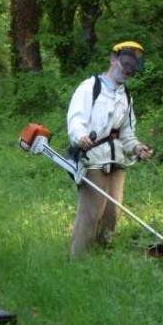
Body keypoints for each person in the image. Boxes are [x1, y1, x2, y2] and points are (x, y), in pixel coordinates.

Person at [66, 40, 154, 257]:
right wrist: (80, 137)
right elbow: (76, 119)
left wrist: (137, 148)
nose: (127, 71)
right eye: (124, 65)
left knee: (112, 213)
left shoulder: (126, 97)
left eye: (132, 69)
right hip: (93, 159)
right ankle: (79, 260)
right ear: (113, 60)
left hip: (117, 161)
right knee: (91, 213)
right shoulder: (90, 87)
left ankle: (103, 255)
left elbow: (127, 133)